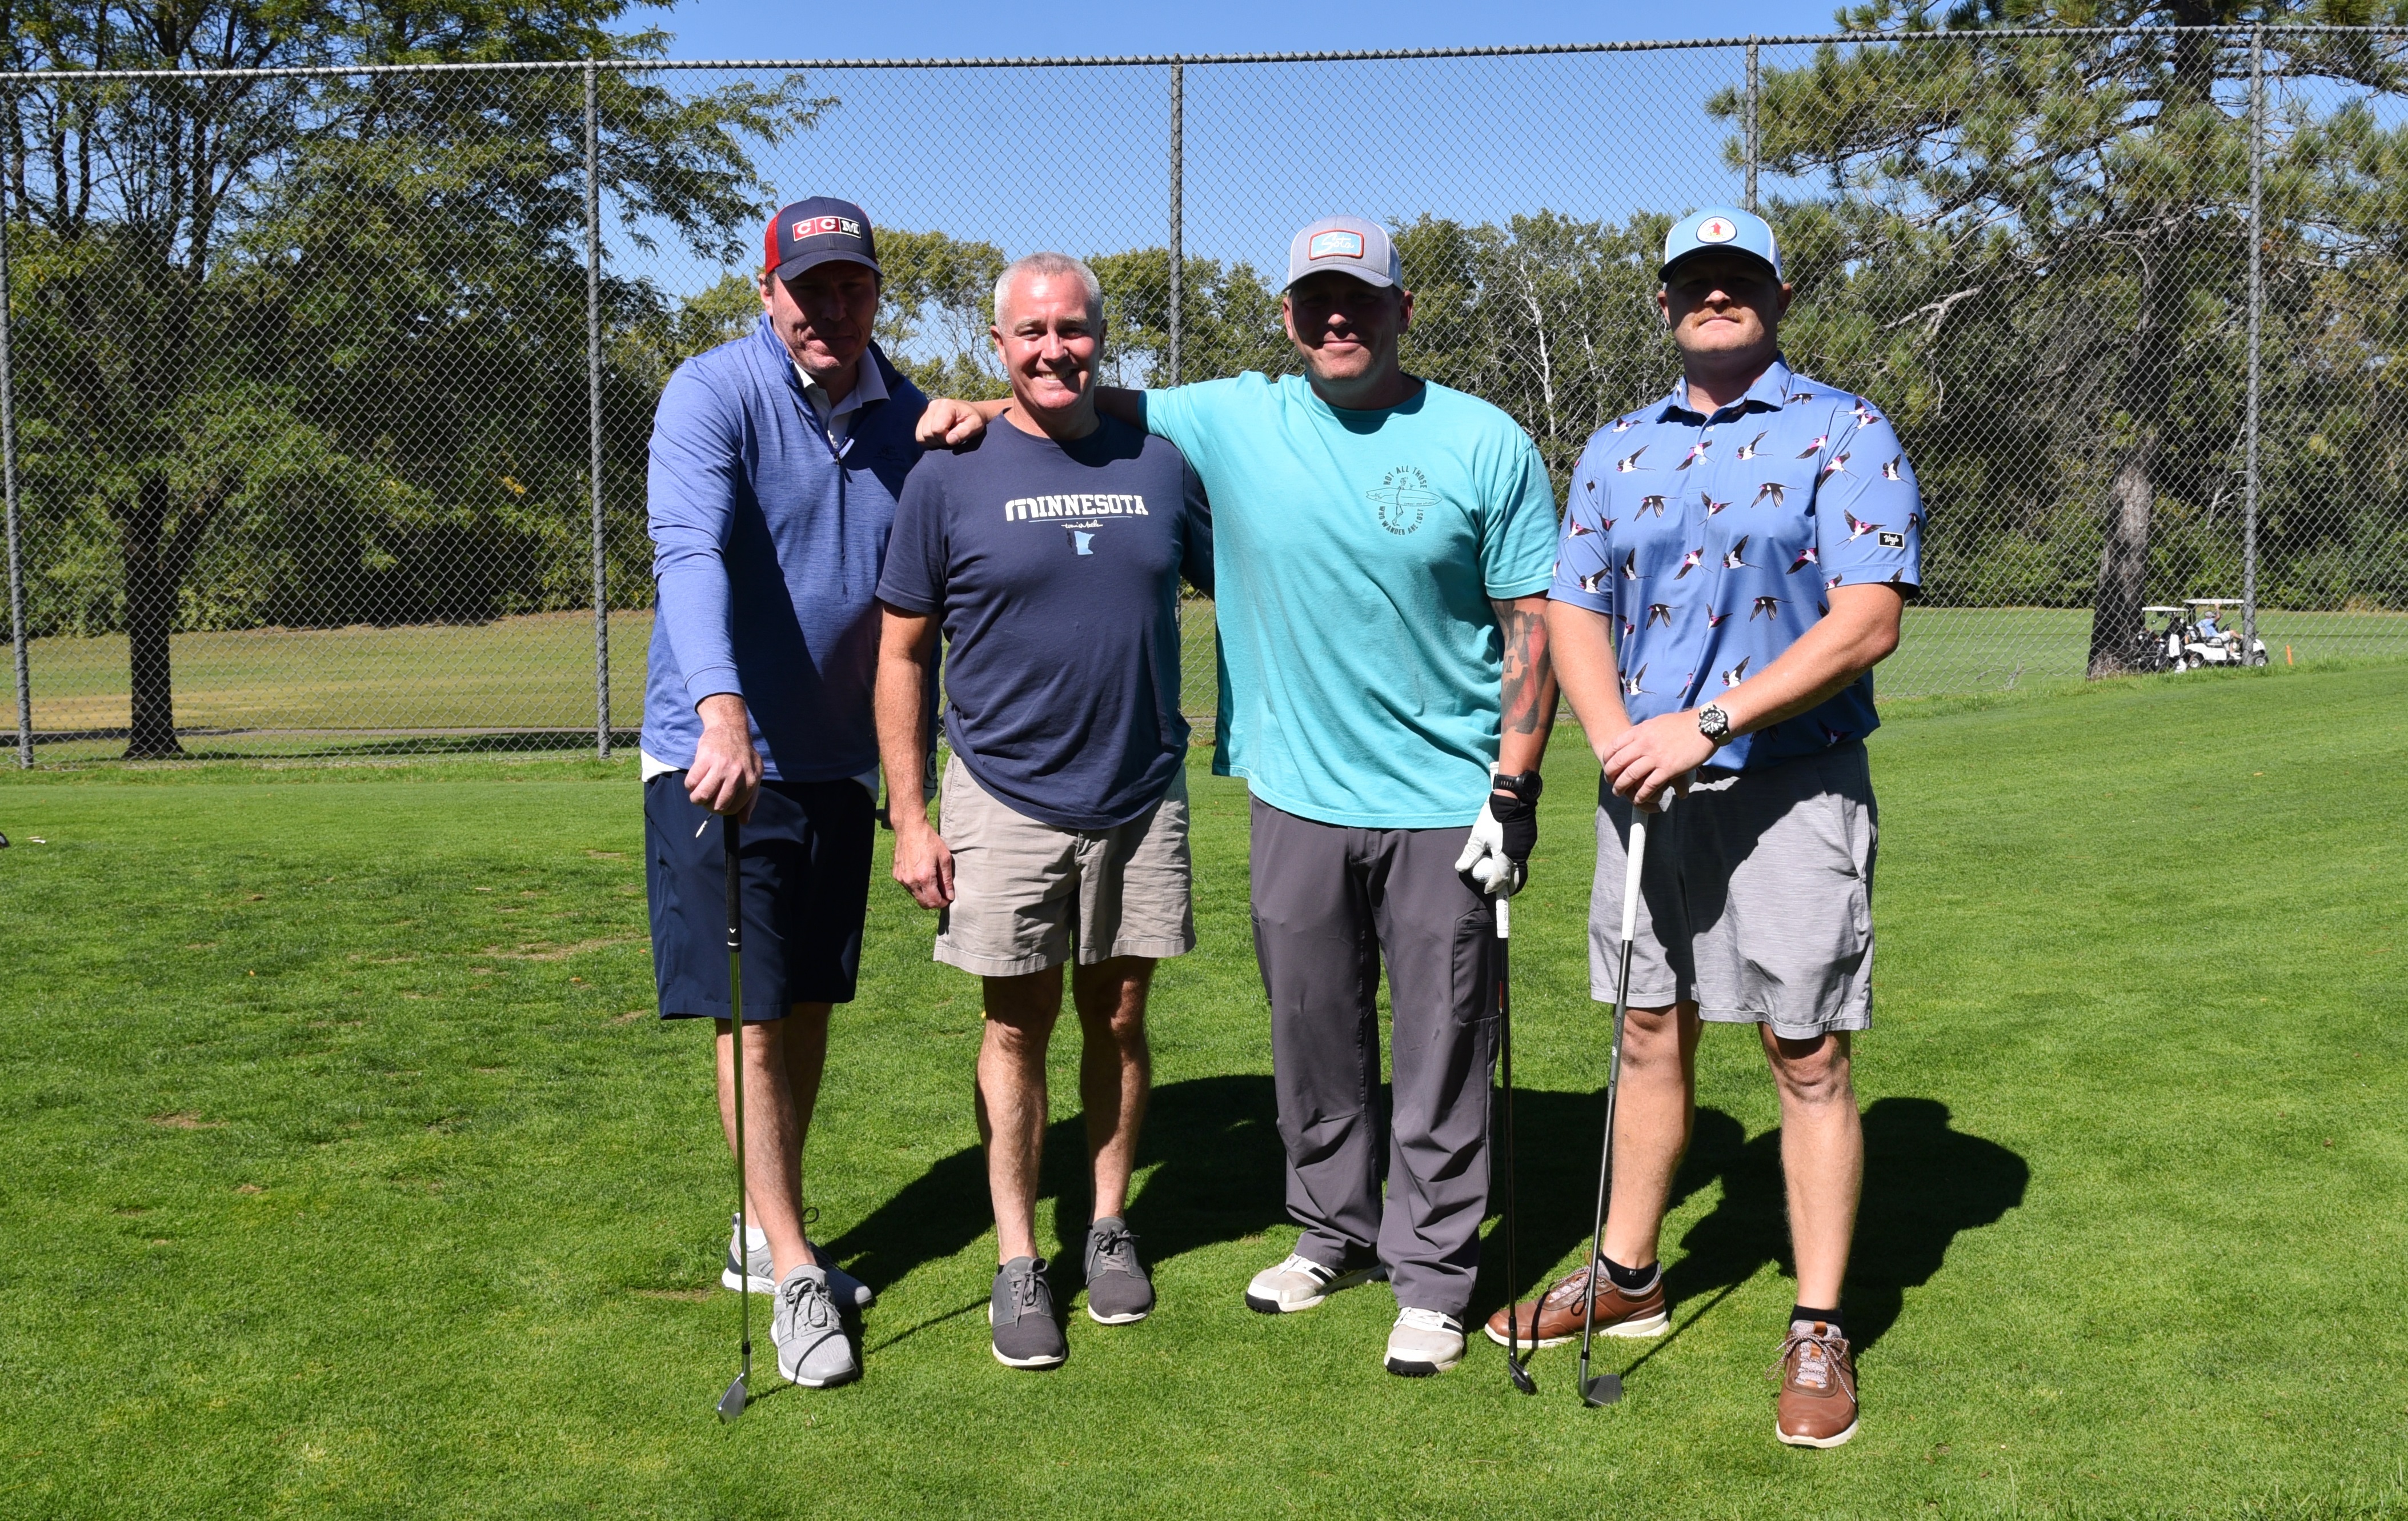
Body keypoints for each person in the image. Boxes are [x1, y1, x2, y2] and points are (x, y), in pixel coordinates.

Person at [921, 215, 1560, 1378]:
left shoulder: (1483, 439)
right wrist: (968, 405)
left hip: (1443, 797)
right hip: (1295, 791)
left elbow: (1531, 624)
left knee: (1441, 1042)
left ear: (1402, 310)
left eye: (1360, 298)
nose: (1337, 317)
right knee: (1310, 1033)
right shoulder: (1232, 416)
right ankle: (1332, 1232)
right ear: (1288, 316)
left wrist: (1513, 785)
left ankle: (1431, 1274)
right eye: (1316, 299)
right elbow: (1070, 393)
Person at [1494, 207, 1922, 1448]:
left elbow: (1867, 620)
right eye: (1695, 281)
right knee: (1645, 1029)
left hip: (1790, 782)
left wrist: (1707, 722)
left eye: (1738, 280)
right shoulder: (1617, 445)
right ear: (1668, 301)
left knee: (1805, 1049)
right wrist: (1618, 734)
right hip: (1646, 787)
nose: (1715, 297)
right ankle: (1628, 1274)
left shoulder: (1843, 429)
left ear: (1777, 296)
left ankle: (1819, 1320)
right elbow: (1573, 609)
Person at [874, 253, 1212, 1371]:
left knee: (1118, 1016)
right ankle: (1019, 1256)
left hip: (1138, 792)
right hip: (1002, 793)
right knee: (1014, 1024)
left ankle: (1108, 1223)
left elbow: (1253, 577)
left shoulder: (1160, 463)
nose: (1054, 348)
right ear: (999, 343)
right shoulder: (947, 473)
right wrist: (910, 815)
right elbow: (902, 653)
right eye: (1032, 332)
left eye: (1073, 329)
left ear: (1100, 337)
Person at [642, 195, 925, 1391]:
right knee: (752, 1018)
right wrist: (720, 709)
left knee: (806, 1007)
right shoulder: (712, 391)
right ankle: (797, 1270)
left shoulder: (908, 412)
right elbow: (687, 550)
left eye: (851, 286)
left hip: (835, 762)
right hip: (721, 764)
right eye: (807, 290)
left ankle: (764, 1232)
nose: (831, 309)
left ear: (876, 294)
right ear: (767, 293)